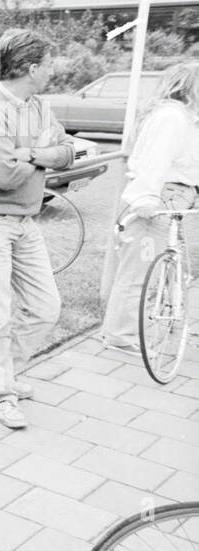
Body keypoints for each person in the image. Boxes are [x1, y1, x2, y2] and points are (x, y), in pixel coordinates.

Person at [0, 28, 75, 430]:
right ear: (31, 68)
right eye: (48, 65)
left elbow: (67, 152)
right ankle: (2, 391)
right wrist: (42, 155)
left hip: (25, 222)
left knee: (46, 308)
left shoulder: (38, 107)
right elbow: (4, 175)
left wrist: (31, 152)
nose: (52, 72)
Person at [100, 61, 199, 351]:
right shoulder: (171, 117)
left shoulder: (184, 117)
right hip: (160, 197)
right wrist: (146, 198)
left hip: (175, 196)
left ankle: (168, 322)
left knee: (170, 269)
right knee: (138, 271)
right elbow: (153, 160)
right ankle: (120, 335)